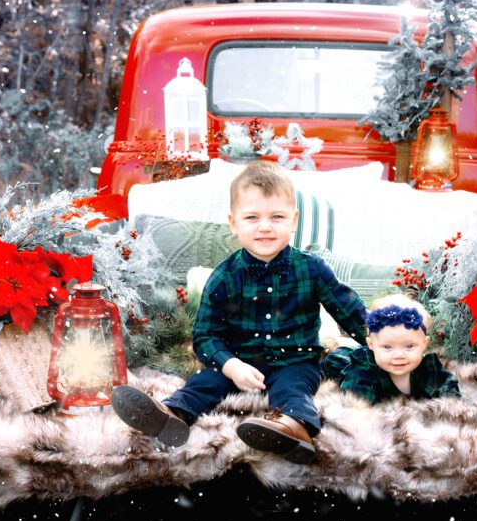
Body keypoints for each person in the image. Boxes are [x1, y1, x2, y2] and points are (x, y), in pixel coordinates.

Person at [111, 162, 368, 464]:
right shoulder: (225, 276)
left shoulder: (312, 269)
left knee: (293, 389)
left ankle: (291, 429)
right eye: (252, 217)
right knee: (205, 383)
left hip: (295, 360)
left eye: (276, 217)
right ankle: (171, 416)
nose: (265, 226)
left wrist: (379, 340)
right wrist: (231, 366)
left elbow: (348, 310)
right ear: (234, 223)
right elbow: (205, 336)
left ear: (293, 220)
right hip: (238, 363)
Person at [321, 294, 460, 403]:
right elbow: (357, 409)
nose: (399, 355)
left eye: (409, 346)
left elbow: (449, 391)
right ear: (371, 345)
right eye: (388, 347)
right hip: (340, 361)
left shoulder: (428, 367)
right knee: (327, 357)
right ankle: (330, 345)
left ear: (424, 344)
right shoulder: (362, 372)